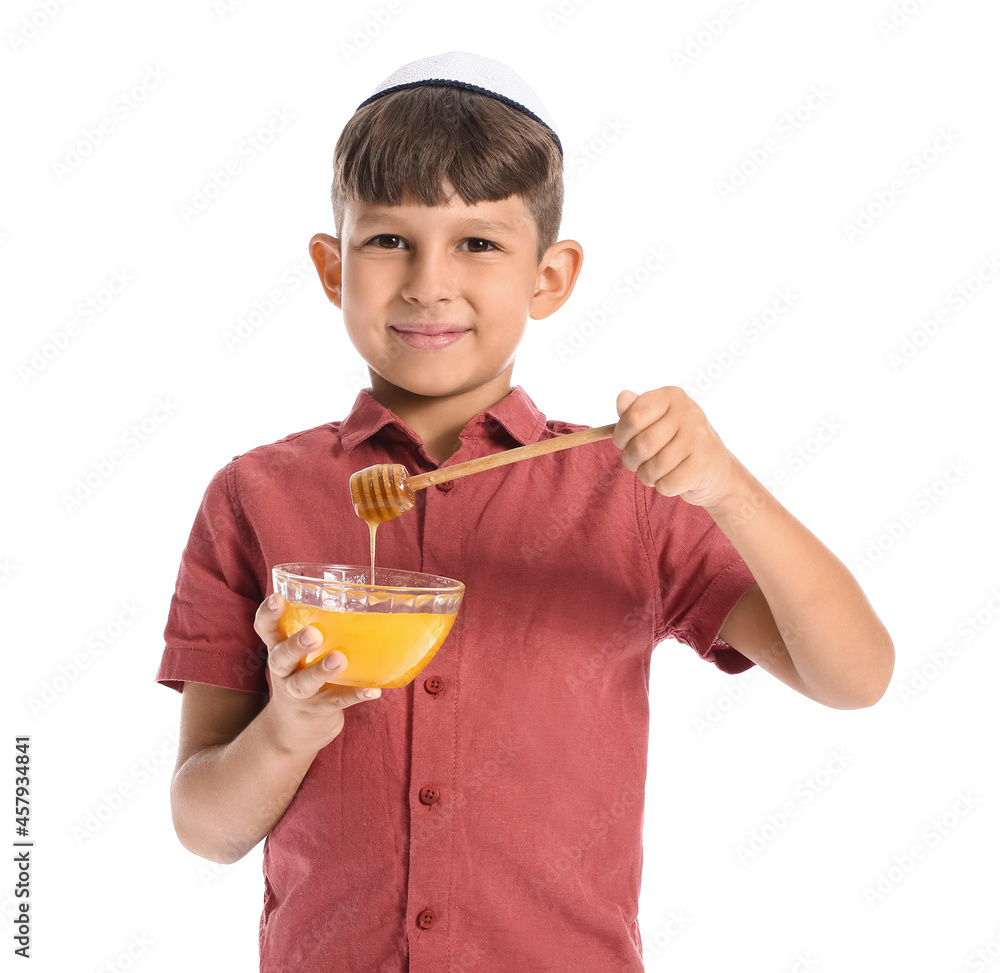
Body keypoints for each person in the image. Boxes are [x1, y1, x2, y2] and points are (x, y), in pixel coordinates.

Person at [158, 51, 894, 972]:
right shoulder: (252, 497)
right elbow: (205, 827)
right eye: (388, 241)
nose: (428, 282)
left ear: (550, 277)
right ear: (331, 267)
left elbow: (855, 675)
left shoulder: (631, 491)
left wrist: (727, 487)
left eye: (478, 243)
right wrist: (289, 727)